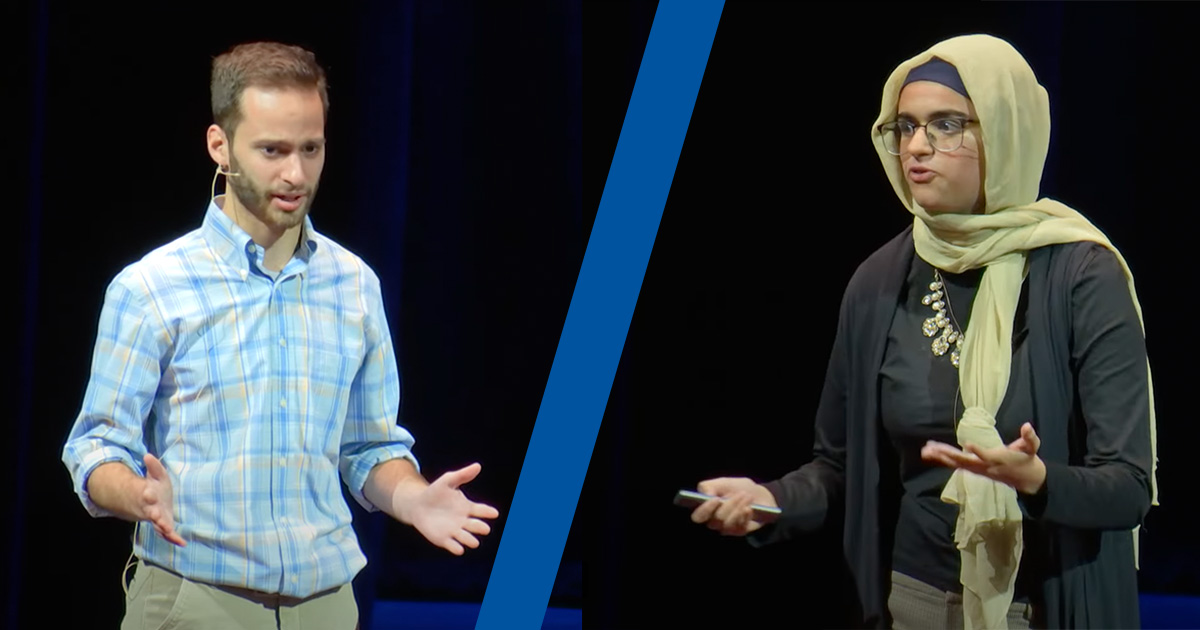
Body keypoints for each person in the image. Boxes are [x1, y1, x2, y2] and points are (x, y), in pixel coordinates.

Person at [688, 34, 1157, 630]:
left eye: (946, 125)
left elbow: (1129, 487)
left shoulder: (1081, 274)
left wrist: (1036, 479)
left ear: (1005, 132)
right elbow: (838, 466)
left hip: (1044, 607)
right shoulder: (880, 279)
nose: (916, 147)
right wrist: (771, 500)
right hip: (914, 604)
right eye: (904, 127)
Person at [62, 41, 499, 630]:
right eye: (272, 151)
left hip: (326, 605)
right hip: (197, 601)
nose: (296, 173)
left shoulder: (353, 285)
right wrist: (134, 494)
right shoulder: (152, 288)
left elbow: (367, 447)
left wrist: (414, 497)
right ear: (220, 145)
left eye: (311, 149)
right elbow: (95, 447)